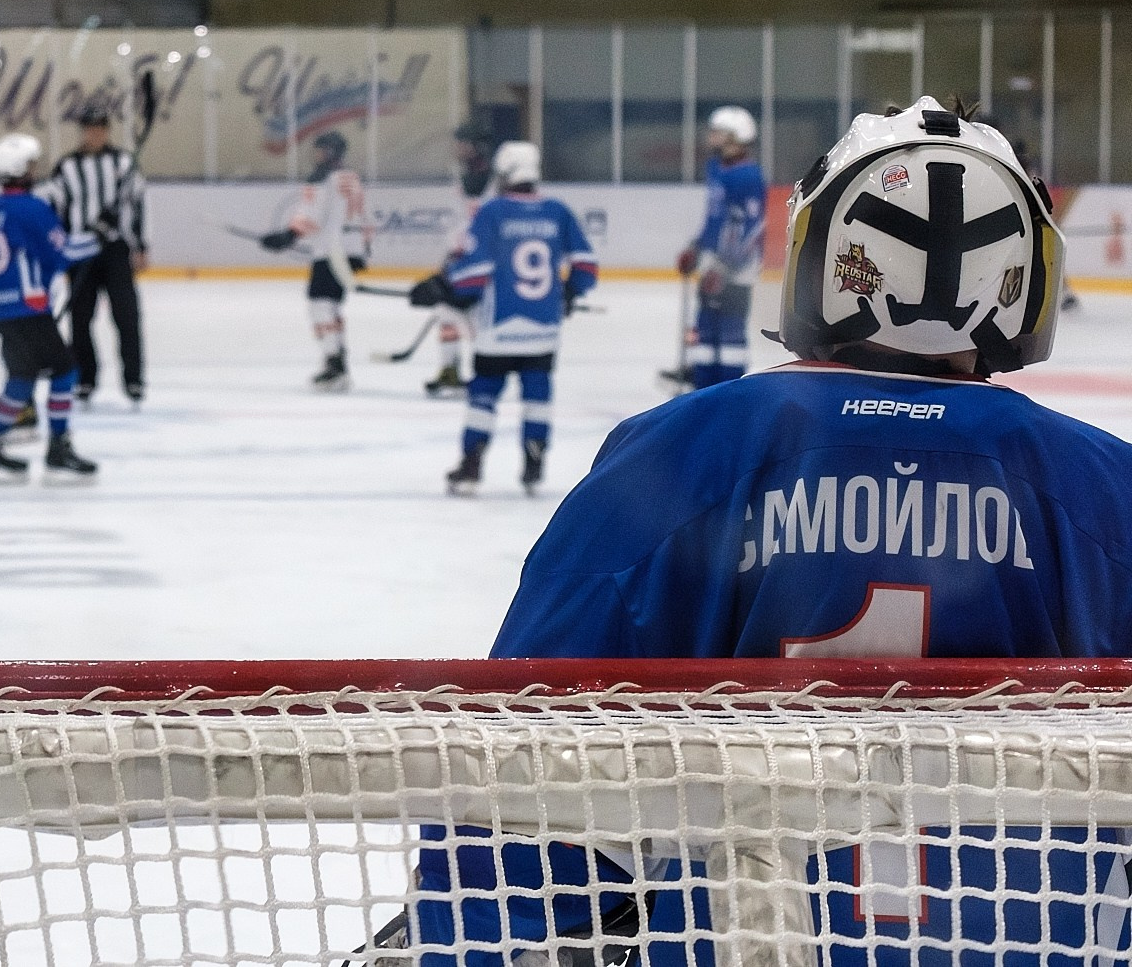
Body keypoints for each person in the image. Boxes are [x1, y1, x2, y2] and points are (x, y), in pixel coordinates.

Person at [415, 97, 1126, 966]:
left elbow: (523, 762)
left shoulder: (679, 453)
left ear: (824, 254)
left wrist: (473, 935)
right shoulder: (1105, 487)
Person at [408, 140, 596, 496]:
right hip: (544, 329)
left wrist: (441, 287)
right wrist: (571, 291)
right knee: (537, 394)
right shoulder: (557, 211)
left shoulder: (493, 212)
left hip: (498, 330)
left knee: (484, 393)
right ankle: (534, 460)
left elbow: (474, 273)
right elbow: (586, 264)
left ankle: (472, 463)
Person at [0, 133, 101, 483]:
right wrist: (98, 237)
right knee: (65, 372)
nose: (35, 169)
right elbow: (62, 254)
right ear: (21, 168)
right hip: (30, 309)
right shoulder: (32, 208)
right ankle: (58, 447)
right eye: (31, 164)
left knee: (21, 381)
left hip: (1, 310)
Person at [41, 102, 149, 405]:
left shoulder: (125, 164)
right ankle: (85, 378)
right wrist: (60, 250)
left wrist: (141, 246)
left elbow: (139, 204)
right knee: (80, 318)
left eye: (101, 128)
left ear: (107, 130)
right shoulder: (66, 167)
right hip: (80, 251)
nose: (96, 134)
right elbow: (55, 209)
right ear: (83, 131)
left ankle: (134, 379)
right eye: (90, 128)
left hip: (115, 249)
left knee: (127, 316)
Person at [258, 130, 370, 392]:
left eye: (322, 149)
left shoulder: (322, 178)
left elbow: (312, 216)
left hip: (331, 251)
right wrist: (363, 250)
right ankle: (338, 359)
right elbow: (365, 215)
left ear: (332, 152)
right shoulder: (351, 177)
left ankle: (334, 364)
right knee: (331, 305)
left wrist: (288, 236)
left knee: (319, 305)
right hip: (349, 250)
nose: (317, 155)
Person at [668, 105, 767, 391]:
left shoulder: (748, 176)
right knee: (705, 328)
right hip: (715, 263)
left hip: (737, 270)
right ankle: (703, 382)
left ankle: (729, 389)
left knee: (730, 334)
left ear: (738, 137)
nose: (712, 137)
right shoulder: (717, 169)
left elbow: (752, 227)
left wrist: (725, 268)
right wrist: (697, 248)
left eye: (720, 132)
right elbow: (714, 219)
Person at [423, 122, 494, 398]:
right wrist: (448, 260)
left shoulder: (497, 182)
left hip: (486, 265)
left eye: (463, 142)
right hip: (462, 262)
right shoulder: (463, 181)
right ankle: (449, 371)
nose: (458, 148)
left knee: (479, 321)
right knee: (446, 312)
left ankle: (487, 374)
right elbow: (459, 225)